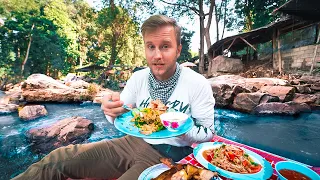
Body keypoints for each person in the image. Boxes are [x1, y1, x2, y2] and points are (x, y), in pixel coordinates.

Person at [12, 14, 215, 180]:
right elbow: (122, 115)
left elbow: (207, 133)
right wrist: (109, 109)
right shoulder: (138, 78)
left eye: (165, 46)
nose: (157, 55)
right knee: (55, 161)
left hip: (170, 156)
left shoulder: (197, 84)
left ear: (178, 49)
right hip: (130, 142)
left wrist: (180, 130)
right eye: (150, 46)